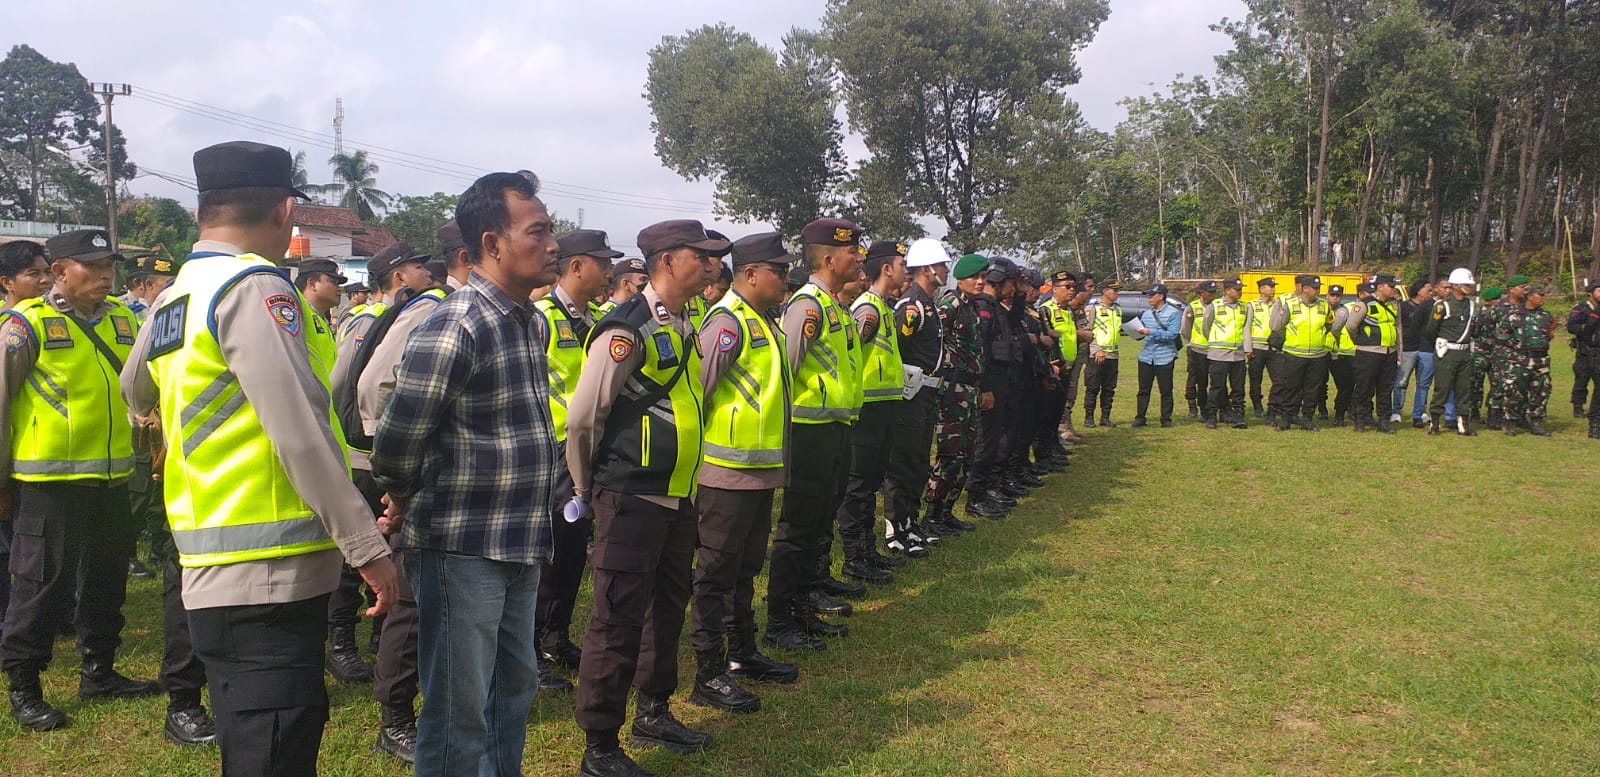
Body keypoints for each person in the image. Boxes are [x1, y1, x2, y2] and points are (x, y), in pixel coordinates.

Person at [125, 141, 398, 773]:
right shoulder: (252, 288)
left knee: (250, 738)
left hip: (208, 558)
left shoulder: (177, 294)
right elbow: (301, 433)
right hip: (270, 569)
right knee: (274, 747)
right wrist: (367, 548)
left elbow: (134, 387)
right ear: (284, 211)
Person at [370, 171, 557, 776]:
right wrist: (401, 496)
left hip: (518, 540)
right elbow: (398, 437)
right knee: (459, 711)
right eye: (538, 231)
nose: (552, 244)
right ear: (492, 244)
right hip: (462, 547)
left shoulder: (526, 320)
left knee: (513, 690)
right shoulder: (458, 323)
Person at [565, 219, 727, 777]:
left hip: (677, 493)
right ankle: (600, 745)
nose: (709, 264)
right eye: (699, 255)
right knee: (616, 620)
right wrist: (584, 487)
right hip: (630, 495)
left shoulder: (685, 321)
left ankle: (654, 710)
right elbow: (584, 417)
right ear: (666, 261)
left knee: (667, 608)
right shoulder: (627, 326)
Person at [0, 229, 158, 732]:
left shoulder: (123, 320)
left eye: (110, 265)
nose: (106, 275)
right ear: (61, 272)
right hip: (49, 485)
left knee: (107, 582)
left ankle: (99, 672)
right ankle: (24, 686)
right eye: (94, 266)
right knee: (41, 588)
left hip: (113, 478)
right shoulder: (25, 325)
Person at [688, 232, 800, 718]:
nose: (786, 279)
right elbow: (699, 391)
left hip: (758, 470)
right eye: (779, 270)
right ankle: (708, 670)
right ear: (751, 274)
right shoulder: (727, 322)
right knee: (714, 573)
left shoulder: (764, 321)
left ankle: (742, 650)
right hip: (725, 473)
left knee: (746, 567)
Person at [765, 219, 863, 654]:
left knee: (820, 520)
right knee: (798, 527)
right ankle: (779, 617)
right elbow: (787, 371)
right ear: (828, 258)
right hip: (808, 431)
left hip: (835, 426)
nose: (858, 258)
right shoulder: (807, 306)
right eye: (851, 251)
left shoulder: (833, 306)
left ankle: (804, 604)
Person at [531, 229, 620, 695]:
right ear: (576, 266)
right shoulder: (541, 317)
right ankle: (530, 651)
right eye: (602, 263)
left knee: (572, 551)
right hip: (553, 454)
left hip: (588, 451)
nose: (609, 272)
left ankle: (556, 636)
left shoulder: (599, 320)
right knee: (548, 553)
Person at [839, 240, 912, 581]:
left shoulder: (881, 307)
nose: (905, 271)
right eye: (902, 264)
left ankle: (867, 550)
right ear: (886, 269)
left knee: (870, 483)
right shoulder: (867, 309)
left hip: (883, 407)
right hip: (867, 409)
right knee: (858, 485)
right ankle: (854, 556)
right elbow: (850, 354)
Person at [0, 240, 51, 633]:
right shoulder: (13, 328)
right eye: (33, 273)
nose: (44, 280)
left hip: (25, 456)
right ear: (7, 282)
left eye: (46, 272)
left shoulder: (45, 322)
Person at [892, 240, 956, 540]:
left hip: (927, 393)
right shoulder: (912, 306)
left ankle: (910, 522)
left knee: (919, 463)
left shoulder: (928, 303)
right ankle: (896, 528)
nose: (946, 270)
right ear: (927, 269)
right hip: (911, 395)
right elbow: (898, 351)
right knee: (904, 463)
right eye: (941, 265)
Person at [926, 255, 996, 522]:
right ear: (960, 279)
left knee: (966, 455)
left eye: (983, 277)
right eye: (974, 277)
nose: (980, 282)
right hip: (951, 390)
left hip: (968, 389)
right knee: (951, 454)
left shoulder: (971, 307)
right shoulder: (950, 305)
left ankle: (947, 512)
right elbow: (932, 342)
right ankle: (933, 514)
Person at [968, 259, 1027, 511]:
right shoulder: (984, 308)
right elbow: (982, 351)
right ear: (999, 281)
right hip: (991, 383)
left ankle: (991, 486)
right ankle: (977, 496)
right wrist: (986, 388)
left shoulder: (997, 308)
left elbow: (1016, 321)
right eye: (1012, 283)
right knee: (987, 442)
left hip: (1004, 383)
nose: (1013, 289)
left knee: (1001, 438)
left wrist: (1020, 293)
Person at [1267, 275, 1331, 431]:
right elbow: (1276, 326)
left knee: (1312, 389)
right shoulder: (1290, 305)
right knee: (1291, 388)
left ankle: (1307, 419)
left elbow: (1329, 325)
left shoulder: (1324, 306)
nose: (1318, 291)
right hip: (1294, 354)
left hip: (1317, 355)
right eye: (1315, 288)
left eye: (1319, 288)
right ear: (1305, 289)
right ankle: (1286, 418)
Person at [1422, 268, 1480, 436]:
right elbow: (1431, 330)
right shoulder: (1442, 306)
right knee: (1442, 388)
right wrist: (1442, 344)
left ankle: (1463, 424)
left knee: (1464, 389)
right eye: (1466, 284)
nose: (1469, 287)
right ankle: (1435, 423)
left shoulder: (1470, 305)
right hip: (1447, 352)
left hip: (1464, 352)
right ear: (1455, 286)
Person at [1344, 276, 1402, 433]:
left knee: (1385, 388)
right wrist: (1360, 341)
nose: (1394, 289)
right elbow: (1351, 326)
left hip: (1389, 352)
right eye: (1391, 286)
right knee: (1364, 387)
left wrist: (1399, 350)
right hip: (1368, 352)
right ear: (1380, 287)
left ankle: (1384, 421)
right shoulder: (1364, 304)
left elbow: (1398, 328)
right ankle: (1360, 419)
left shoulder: (1395, 304)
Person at [1498, 283, 1555, 437]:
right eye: (1540, 295)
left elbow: (1549, 335)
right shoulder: (1513, 315)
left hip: (1541, 359)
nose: (1543, 298)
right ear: (1529, 297)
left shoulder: (1546, 316)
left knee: (1541, 390)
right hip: (1520, 359)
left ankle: (1537, 422)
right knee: (1514, 391)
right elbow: (1502, 336)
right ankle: (1511, 421)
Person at [1036, 271, 1079, 453]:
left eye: (1073, 287)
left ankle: (1055, 444)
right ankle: (1047, 448)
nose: (1072, 290)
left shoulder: (1068, 310)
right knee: (1049, 410)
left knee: (1059, 407)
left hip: (1068, 364)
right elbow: (1047, 338)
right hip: (1054, 366)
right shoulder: (1046, 309)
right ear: (1054, 289)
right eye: (1067, 287)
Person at [1201, 279, 1254, 429]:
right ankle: (1212, 415)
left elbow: (1246, 329)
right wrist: (1215, 341)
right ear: (1227, 290)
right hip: (1219, 354)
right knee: (1217, 387)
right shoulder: (1215, 306)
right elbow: (1206, 327)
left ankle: (1237, 415)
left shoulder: (1244, 307)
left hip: (1237, 355)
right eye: (1236, 289)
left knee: (1238, 388)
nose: (1239, 292)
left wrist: (1247, 348)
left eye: (1240, 289)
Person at [1134, 283, 1183, 427]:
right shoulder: (1146, 314)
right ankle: (1140, 418)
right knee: (1143, 390)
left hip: (1165, 356)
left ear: (1161, 296)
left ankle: (1166, 419)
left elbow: (1172, 334)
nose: (1149, 298)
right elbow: (1141, 333)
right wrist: (1136, 332)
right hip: (1146, 356)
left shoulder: (1174, 313)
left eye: (1151, 295)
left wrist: (1152, 332)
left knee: (1166, 390)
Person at [1392, 280, 1435, 428]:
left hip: (1425, 349)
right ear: (1418, 291)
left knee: (1423, 383)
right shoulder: (1404, 307)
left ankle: (1421, 411)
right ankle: (1396, 411)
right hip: (1408, 350)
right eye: (1428, 290)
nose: (1431, 293)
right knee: (1401, 381)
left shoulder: (1432, 307)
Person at [1083, 282, 1123, 427]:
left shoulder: (1118, 309)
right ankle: (1089, 417)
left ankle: (1105, 417)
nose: (1117, 293)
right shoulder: (1093, 308)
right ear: (1105, 291)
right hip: (1097, 355)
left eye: (1118, 291)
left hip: (1113, 354)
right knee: (1093, 387)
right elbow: (1087, 331)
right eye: (1114, 290)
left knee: (1109, 388)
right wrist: (1096, 350)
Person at [1568, 280, 1600, 439]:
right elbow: (1572, 327)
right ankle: (1578, 405)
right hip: (1585, 351)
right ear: (1590, 293)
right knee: (1582, 379)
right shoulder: (1581, 308)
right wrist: (1588, 325)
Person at [1182, 280, 1218, 420]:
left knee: (1214, 380)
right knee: (1194, 378)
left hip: (1215, 349)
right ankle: (1192, 405)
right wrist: (1191, 343)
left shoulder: (1218, 306)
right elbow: (1186, 329)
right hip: (1197, 350)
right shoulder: (1193, 307)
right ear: (1202, 293)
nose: (1213, 295)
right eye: (1210, 292)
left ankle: (1211, 406)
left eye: (1214, 292)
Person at [1324, 284, 1357, 425]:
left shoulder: (1344, 311)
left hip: (1337, 353)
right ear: (1327, 295)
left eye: (1338, 296)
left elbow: (1336, 330)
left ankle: (1343, 411)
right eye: (1332, 295)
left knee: (1344, 385)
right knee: (1320, 384)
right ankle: (1322, 409)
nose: (1335, 298)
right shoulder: (1321, 309)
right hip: (1320, 351)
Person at [1246, 277, 1277, 418]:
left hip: (1273, 348)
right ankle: (1257, 406)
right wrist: (1248, 347)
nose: (1273, 289)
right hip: (1257, 348)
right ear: (1262, 289)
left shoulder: (1277, 305)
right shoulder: (1252, 305)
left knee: (1278, 379)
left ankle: (1274, 406)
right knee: (1255, 379)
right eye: (1271, 287)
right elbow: (1247, 327)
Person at [0, 241, 52, 310]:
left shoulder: (56, 313)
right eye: (34, 274)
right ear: (7, 283)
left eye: (48, 272)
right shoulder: (6, 317)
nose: (45, 279)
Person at [295, 258, 348, 323]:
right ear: (312, 284)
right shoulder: (296, 317)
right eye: (333, 282)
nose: (339, 289)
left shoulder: (320, 317)